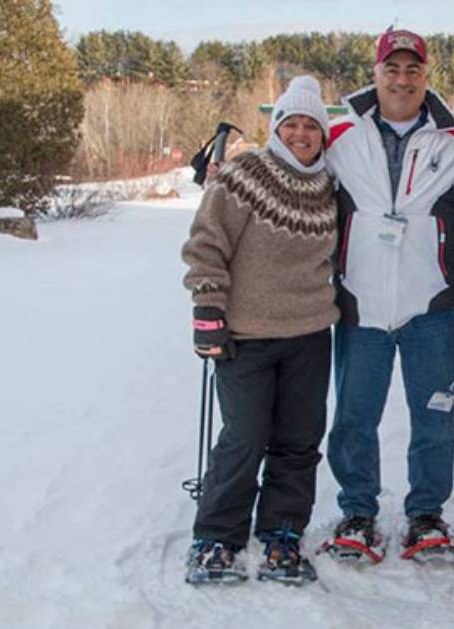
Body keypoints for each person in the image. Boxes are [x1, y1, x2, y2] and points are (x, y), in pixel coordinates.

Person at [322, 28, 454, 563]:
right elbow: (287, 168)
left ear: (426, 75)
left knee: (434, 415)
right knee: (354, 416)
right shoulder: (338, 133)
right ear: (376, 71)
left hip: (429, 304)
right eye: (393, 68)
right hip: (359, 300)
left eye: (413, 69)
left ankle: (427, 515)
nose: (403, 79)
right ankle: (357, 512)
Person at [180, 75, 337, 585]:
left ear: (323, 134)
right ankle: (217, 536)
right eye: (290, 124)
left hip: (311, 334)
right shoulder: (245, 173)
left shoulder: (331, 183)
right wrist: (208, 311)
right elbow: (207, 243)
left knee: (297, 441)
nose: (300, 134)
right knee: (244, 438)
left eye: (310, 125)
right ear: (276, 128)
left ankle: (283, 532)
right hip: (245, 336)